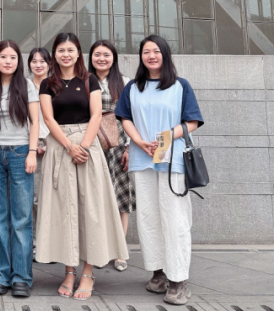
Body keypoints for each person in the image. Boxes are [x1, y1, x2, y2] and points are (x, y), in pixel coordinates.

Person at [35, 32, 128, 301]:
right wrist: (69, 146)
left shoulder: (89, 80)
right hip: (60, 146)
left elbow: (97, 114)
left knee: (91, 209)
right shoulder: (48, 84)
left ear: (78, 53)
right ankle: (69, 270)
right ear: (55, 54)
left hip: (89, 146)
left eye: (70, 50)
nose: (66, 54)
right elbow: (49, 119)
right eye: (61, 50)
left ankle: (88, 272)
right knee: (64, 209)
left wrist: (83, 147)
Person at [115, 35, 204, 306]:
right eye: (146, 52)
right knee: (148, 218)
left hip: (172, 160)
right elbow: (124, 118)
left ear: (165, 54)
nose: (151, 56)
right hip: (142, 159)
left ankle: (178, 280)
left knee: (175, 219)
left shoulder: (180, 86)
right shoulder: (133, 87)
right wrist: (139, 141)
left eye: (156, 51)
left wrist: (166, 137)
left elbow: (192, 121)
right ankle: (158, 273)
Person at [0, 40, 39, 298]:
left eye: (12, 57)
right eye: (3, 57)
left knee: (21, 217)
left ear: (18, 60)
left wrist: (32, 152)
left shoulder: (27, 85)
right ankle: (0, 274)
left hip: (20, 152)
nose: (8, 61)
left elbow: (35, 122)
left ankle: (21, 276)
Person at [88, 39, 134, 272]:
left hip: (118, 146)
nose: (102, 59)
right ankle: (99, 249)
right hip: (92, 145)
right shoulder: (84, 81)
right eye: (97, 54)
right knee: (95, 199)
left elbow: (133, 117)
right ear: (91, 57)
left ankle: (119, 251)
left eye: (106, 55)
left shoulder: (125, 82)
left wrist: (129, 148)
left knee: (120, 199)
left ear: (113, 58)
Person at [27, 47, 50, 257]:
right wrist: (32, 146)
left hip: (54, 143)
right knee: (33, 198)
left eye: (42, 61)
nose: (38, 65)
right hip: (30, 145)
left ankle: (50, 244)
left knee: (51, 196)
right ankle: (35, 243)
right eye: (34, 61)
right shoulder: (25, 86)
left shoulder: (56, 86)